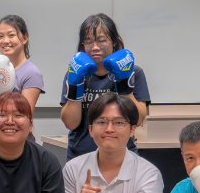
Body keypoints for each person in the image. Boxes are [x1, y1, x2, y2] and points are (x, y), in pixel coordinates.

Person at [60, 12, 152, 157]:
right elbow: (71, 123)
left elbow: (138, 119)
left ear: (114, 42)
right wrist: (75, 85)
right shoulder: (75, 72)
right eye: (89, 41)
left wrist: (124, 84)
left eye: (101, 40)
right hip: (80, 155)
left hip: (122, 155)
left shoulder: (134, 72)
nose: (95, 47)